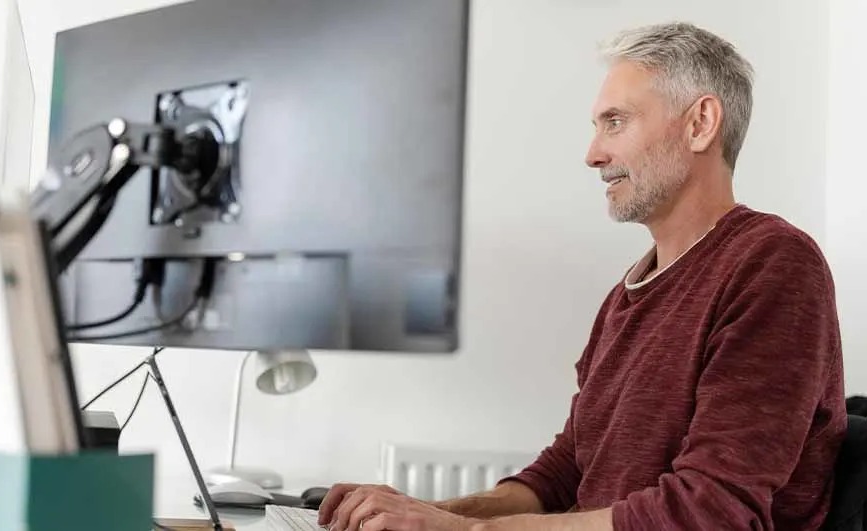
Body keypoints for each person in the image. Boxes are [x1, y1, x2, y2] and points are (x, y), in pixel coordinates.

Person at [317, 22, 846, 531]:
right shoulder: (627, 294)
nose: (594, 154)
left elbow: (710, 512)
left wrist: (462, 530)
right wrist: (429, 513)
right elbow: (566, 472)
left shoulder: (772, 264)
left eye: (615, 121)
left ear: (700, 123)